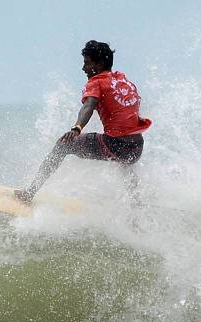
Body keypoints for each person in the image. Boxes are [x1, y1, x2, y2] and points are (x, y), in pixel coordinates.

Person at [15, 40, 152, 204]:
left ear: (99, 64)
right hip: (136, 148)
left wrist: (76, 129)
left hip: (114, 145)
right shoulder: (124, 81)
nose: (83, 68)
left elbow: (89, 105)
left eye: (87, 63)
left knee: (63, 145)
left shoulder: (96, 82)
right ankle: (136, 206)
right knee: (126, 163)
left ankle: (30, 193)